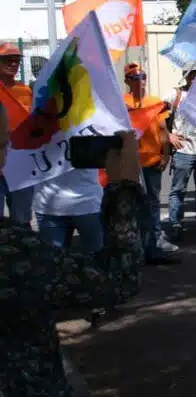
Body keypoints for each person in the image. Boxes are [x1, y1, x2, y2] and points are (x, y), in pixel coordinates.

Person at [1, 127, 145, 397]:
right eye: (1, 144)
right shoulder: (12, 248)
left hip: (85, 204)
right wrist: (125, 189)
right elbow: (117, 277)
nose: (9, 150)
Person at [123, 63, 177, 260]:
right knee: (131, 204)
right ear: (127, 81)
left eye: (143, 76)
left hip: (152, 161)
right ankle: (135, 245)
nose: (140, 81)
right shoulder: (122, 102)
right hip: (129, 164)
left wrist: (165, 155)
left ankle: (153, 244)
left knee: (152, 203)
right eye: (135, 77)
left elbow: (163, 129)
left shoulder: (155, 102)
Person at [165, 68, 196, 242]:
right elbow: (157, 115)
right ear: (185, 75)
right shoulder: (175, 94)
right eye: (191, 74)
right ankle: (175, 224)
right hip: (183, 149)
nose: (195, 78)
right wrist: (168, 136)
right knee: (178, 190)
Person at [0, 42, 33, 225]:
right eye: (7, 60)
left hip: (21, 164)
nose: (13, 64)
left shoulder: (25, 90)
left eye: (16, 61)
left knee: (21, 219)